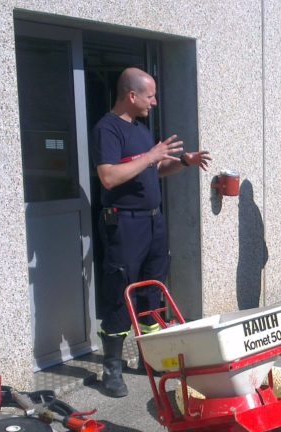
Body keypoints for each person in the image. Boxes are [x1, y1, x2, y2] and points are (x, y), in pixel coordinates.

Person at [91, 67, 211, 397]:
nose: (154, 102)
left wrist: (184, 162)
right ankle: (112, 368)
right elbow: (109, 177)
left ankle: (153, 359)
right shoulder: (108, 129)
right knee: (120, 290)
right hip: (123, 223)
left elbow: (155, 170)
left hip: (152, 222)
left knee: (151, 293)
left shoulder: (142, 130)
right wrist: (151, 155)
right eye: (150, 95)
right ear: (132, 96)